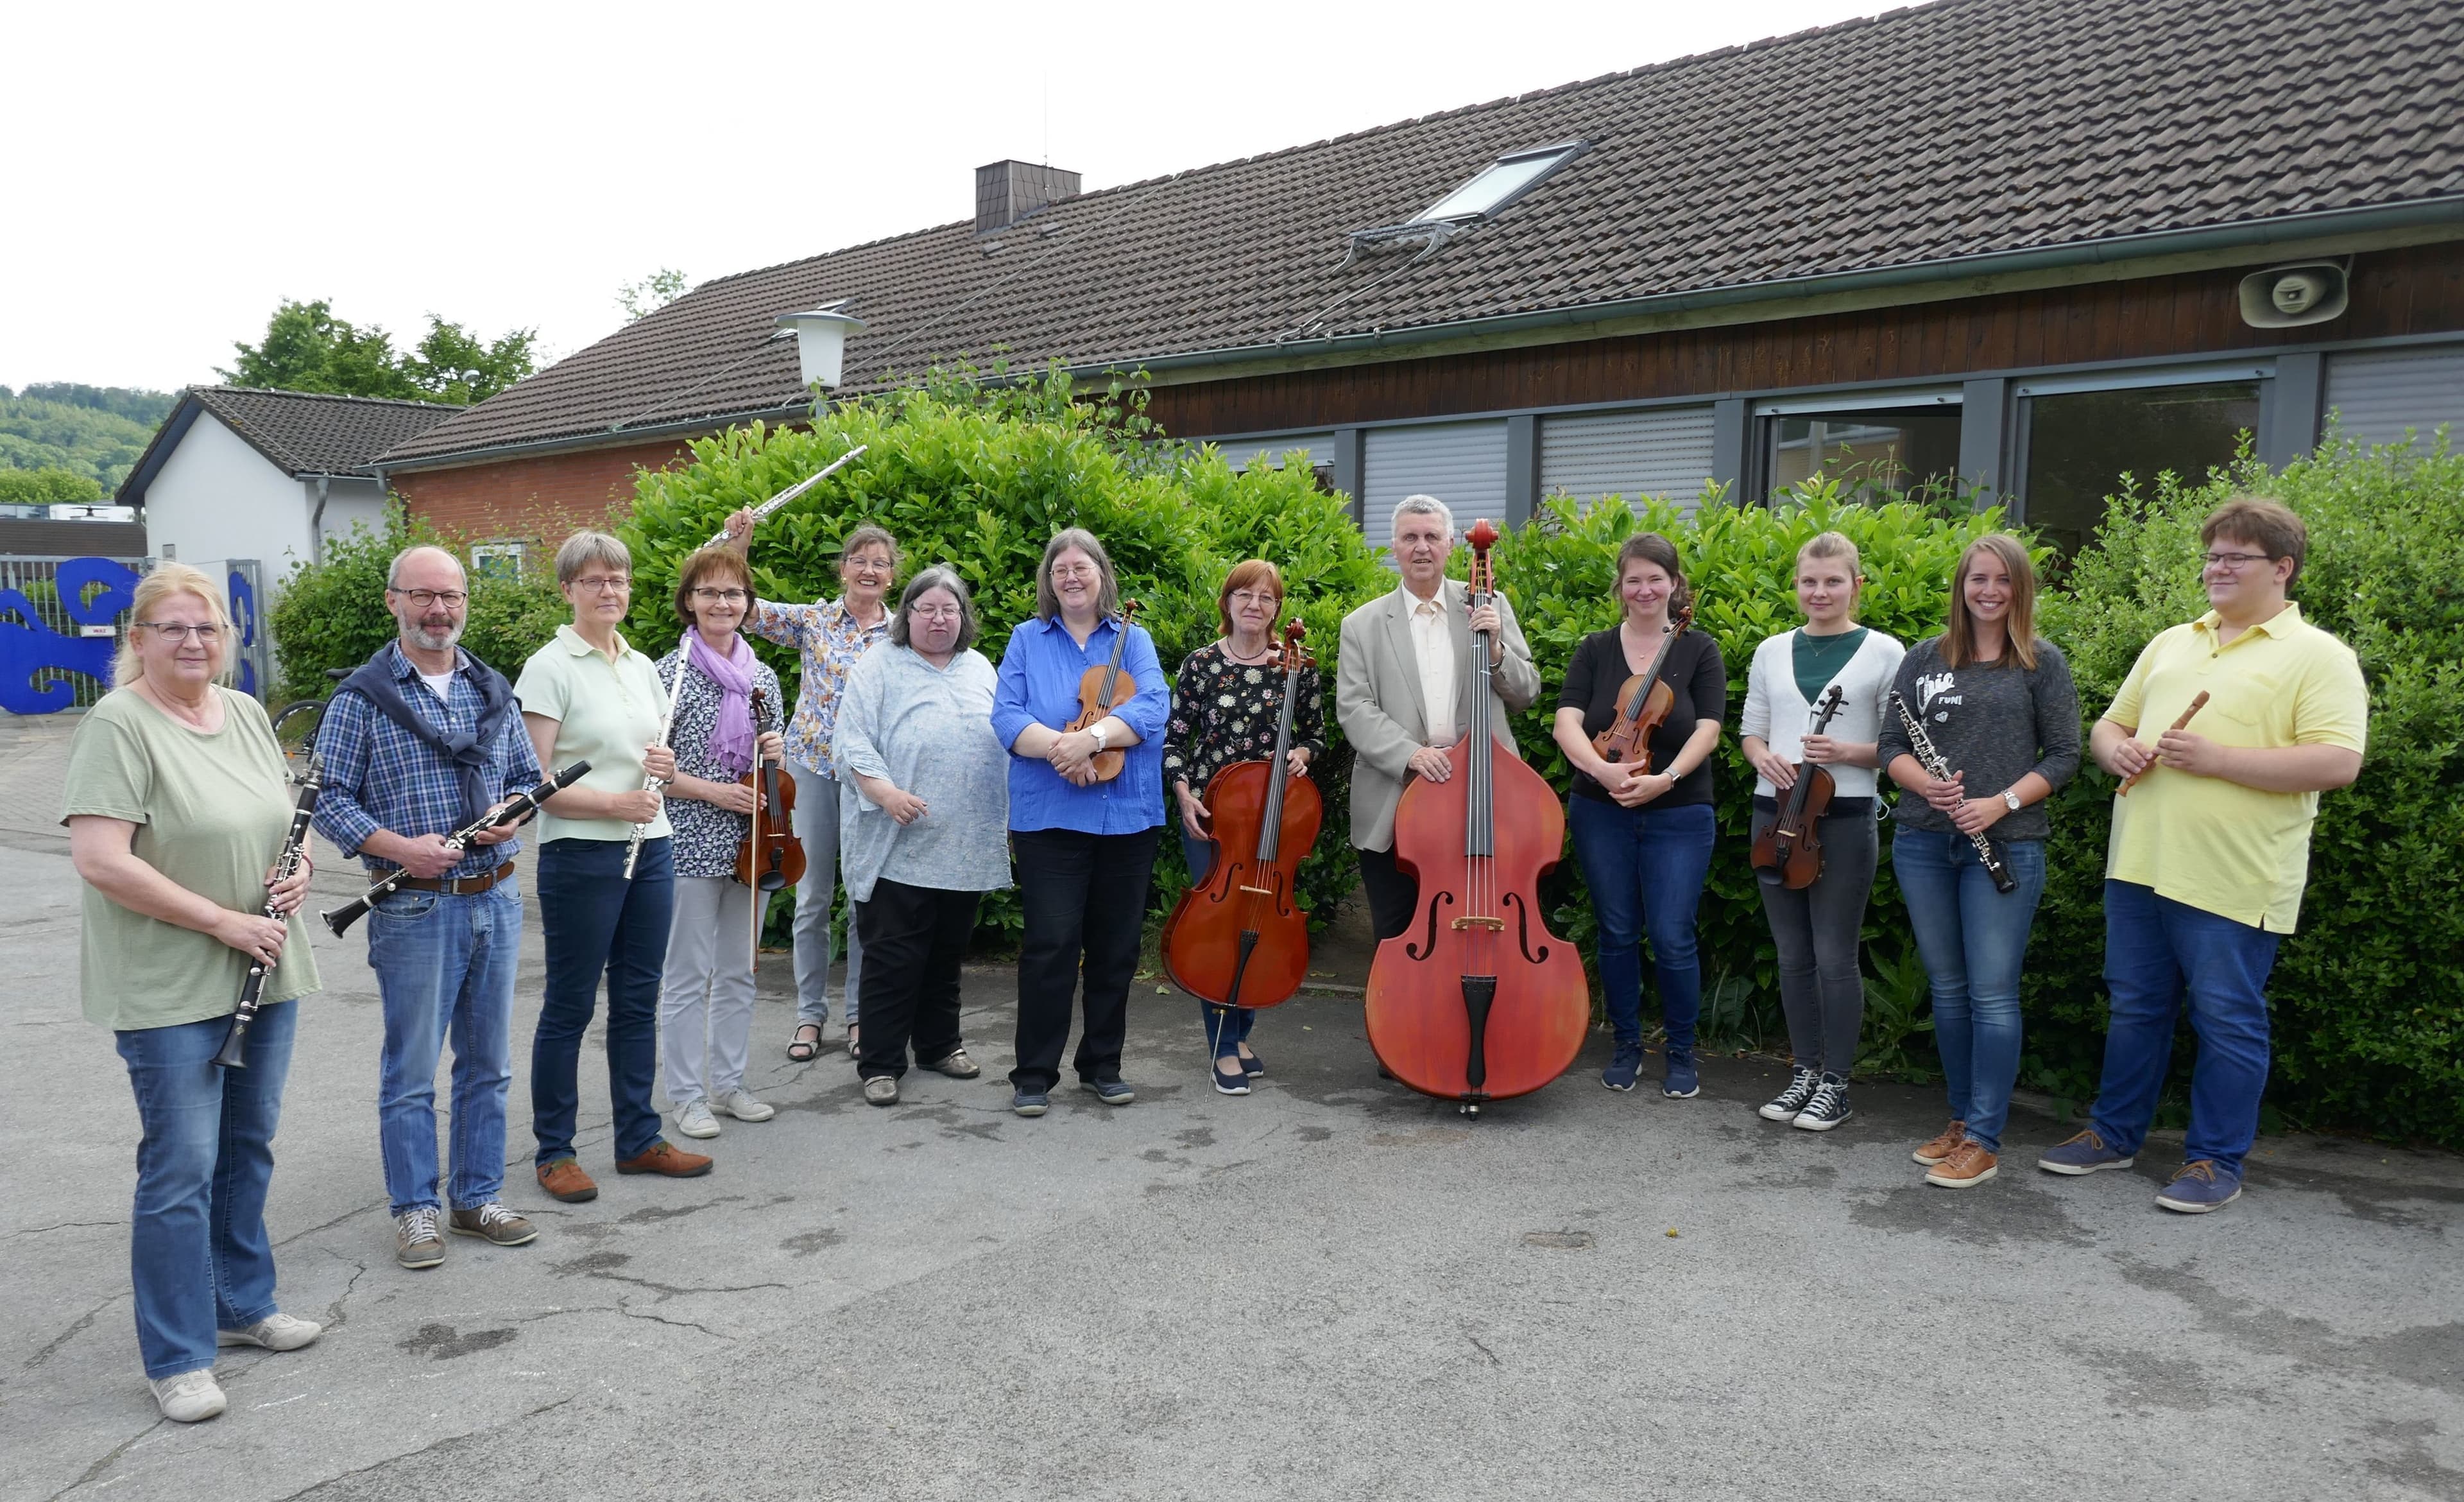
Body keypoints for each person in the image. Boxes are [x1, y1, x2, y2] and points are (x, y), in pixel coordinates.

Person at [2041, 497, 2365, 1213]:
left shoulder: (2320, 657)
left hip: (2236, 875)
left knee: (2227, 1019)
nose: (2216, 567)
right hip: (2140, 865)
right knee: (2135, 1009)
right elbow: (2109, 725)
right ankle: (2114, 1134)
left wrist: (2217, 758)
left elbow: (2338, 764)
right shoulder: (2172, 641)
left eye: (2234, 556)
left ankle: (2216, 1160)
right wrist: (2114, 749)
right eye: (2213, 554)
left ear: (2281, 569)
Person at [64, 563, 322, 1423]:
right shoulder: (119, 724)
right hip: (171, 981)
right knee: (180, 1168)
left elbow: (281, 824)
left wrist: (300, 874)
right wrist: (221, 920)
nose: (192, 641)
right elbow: (104, 861)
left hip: (263, 960)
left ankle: (243, 1304)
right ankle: (176, 1356)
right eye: (172, 628)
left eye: (206, 628)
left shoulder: (244, 713)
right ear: (137, 640)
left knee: (248, 1146)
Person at [314, 544, 545, 1271]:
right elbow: (325, 799)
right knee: (411, 1069)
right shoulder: (361, 697)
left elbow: (526, 778)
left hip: (496, 896)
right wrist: (397, 847)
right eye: (422, 596)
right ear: (394, 602)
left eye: (450, 596)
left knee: (487, 1065)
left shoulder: (490, 687)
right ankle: (415, 1211)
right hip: (414, 905)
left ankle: (476, 1198)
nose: (438, 610)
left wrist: (516, 813)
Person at [1877, 533, 2080, 1189]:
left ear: (2021, 589)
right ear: (1961, 586)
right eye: (1977, 579)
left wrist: (2001, 802)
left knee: (1992, 994)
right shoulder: (1923, 658)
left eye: (2003, 580)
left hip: (2007, 842)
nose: (1989, 590)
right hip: (1924, 840)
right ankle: (1961, 1121)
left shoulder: (2040, 663)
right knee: (1949, 992)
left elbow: (2066, 755)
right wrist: (1922, 783)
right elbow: (1888, 746)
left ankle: (1987, 1139)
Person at [515, 531, 709, 1201]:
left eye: (619, 580)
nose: (609, 591)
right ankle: (555, 1152)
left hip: (651, 846)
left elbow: (662, 768)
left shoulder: (644, 666)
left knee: (636, 999)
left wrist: (668, 770)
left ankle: (639, 1139)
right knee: (569, 1005)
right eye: (594, 580)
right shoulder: (549, 667)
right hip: (579, 854)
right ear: (568, 589)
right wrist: (611, 803)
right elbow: (529, 783)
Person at [991, 529, 1171, 1117]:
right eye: (1060, 569)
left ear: (1101, 575)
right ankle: (1034, 1074)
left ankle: (1102, 1065)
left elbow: (1151, 707)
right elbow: (1006, 715)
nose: (1071, 578)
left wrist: (1091, 738)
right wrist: (1060, 750)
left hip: (1127, 818)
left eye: (1082, 568)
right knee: (1050, 946)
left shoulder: (1134, 638)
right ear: (1049, 580)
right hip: (1050, 817)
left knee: (1116, 949)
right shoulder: (1025, 639)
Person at [1550, 532, 1725, 1097]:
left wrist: (1665, 780)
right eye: (1634, 579)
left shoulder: (1698, 649)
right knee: (1618, 932)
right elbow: (1567, 724)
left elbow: (1709, 729)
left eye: (1657, 578)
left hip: (1679, 811)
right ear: (1620, 587)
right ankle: (1626, 1044)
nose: (1646, 589)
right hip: (1600, 809)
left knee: (1673, 936)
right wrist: (1601, 773)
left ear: (1675, 584)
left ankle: (1680, 1051)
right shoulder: (1595, 649)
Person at [1741, 531, 1906, 1132]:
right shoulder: (1770, 649)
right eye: (1810, 581)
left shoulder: (1887, 651)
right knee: (1791, 956)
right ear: (1796, 585)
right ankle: (1803, 1072)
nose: (1820, 591)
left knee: (1836, 956)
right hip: (1774, 814)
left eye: (1834, 580)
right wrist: (1763, 759)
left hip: (1844, 819)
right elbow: (1752, 731)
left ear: (1856, 585)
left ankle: (1836, 1082)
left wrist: (1849, 751)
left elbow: (1900, 748)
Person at [723, 512, 898, 1064]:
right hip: (814, 771)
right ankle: (809, 1016)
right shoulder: (814, 621)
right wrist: (739, 547)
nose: (868, 570)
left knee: (865, 901)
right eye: (859, 560)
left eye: (880, 563)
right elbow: (742, 610)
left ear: (892, 576)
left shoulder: (901, 634)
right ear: (843, 568)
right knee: (813, 899)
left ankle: (859, 1016)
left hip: (870, 778)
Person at [835, 567, 1012, 1106]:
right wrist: (886, 793)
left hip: (964, 840)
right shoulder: (878, 665)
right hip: (897, 841)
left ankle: (939, 1044)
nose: (939, 619)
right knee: (893, 956)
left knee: (946, 953)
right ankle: (881, 1062)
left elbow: (1008, 732)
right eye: (927, 609)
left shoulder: (980, 667)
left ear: (964, 618)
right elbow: (851, 741)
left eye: (950, 610)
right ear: (906, 614)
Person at [1336, 494, 1540, 947]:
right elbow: (1354, 707)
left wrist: (1496, 651)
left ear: (1451, 545)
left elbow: (1526, 692)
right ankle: (1399, 1019)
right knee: (1397, 934)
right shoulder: (1361, 624)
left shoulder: (1488, 605)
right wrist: (1412, 754)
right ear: (1394, 547)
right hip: (1397, 795)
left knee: (1479, 933)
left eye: (1432, 537)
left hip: (1483, 796)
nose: (1421, 547)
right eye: (1411, 537)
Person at [1163, 560, 1326, 1095]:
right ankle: (1223, 1045)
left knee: (1261, 923)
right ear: (1227, 602)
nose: (1255, 606)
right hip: (1213, 817)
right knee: (1219, 928)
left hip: (1275, 820)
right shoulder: (1201, 664)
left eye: (1267, 598)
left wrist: (1301, 752)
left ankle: (1239, 1030)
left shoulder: (1295, 668)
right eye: (1245, 595)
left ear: (1278, 610)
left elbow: (1318, 738)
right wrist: (1184, 793)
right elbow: (1174, 741)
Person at [652, 546, 789, 1141]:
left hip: (750, 843)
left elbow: (772, 769)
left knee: (739, 971)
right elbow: (653, 770)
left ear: (747, 604)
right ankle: (685, 1096)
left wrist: (774, 758)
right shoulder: (667, 674)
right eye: (709, 592)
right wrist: (713, 793)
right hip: (687, 840)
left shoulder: (763, 677)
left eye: (733, 593)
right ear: (689, 602)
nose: (722, 603)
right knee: (687, 974)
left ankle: (730, 1085)